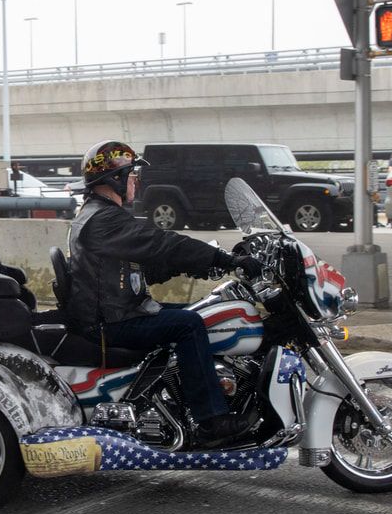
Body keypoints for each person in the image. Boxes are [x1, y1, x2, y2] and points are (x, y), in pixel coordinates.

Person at [67, 140, 264, 443]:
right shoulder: (103, 220)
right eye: (132, 175)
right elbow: (162, 243)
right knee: (189, 325)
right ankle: (211, 420)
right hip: (111, 321)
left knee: (205, 313)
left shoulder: (99, 214)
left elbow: (139, 268)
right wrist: (224, 259)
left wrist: (198, 266)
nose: (136, 181)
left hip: (118, 310)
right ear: (115, 178)